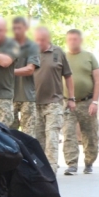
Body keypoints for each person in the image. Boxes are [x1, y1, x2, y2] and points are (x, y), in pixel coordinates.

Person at [33, 27, 75, 174]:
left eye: (42, 40)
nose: (39, 43)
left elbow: (68, 76)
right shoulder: (29, 53)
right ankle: (40, 169)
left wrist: (71, 98)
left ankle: (51, 169)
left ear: (48, 39)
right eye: (36, 40)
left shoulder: (58, 52)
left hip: (54, 102)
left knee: (52, 137)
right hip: (34, 103)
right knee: (38, 139)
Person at [62, 29, 99, 175]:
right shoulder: (63, 57)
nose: (72, 41)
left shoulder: (89, 57)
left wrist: (95, 102)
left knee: (90, 134)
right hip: (68, 102)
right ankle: (71, 164)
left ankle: (89, 162)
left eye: (75, 39)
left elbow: (97, 80)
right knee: (69, 133)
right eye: (70, 39)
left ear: (81, 40)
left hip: (87, 102)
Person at [11, 17, 40, 136]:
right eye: (14, 28)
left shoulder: (32, 47)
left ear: (26, 29)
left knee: (29, 134)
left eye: (19, 28)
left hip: (26, 97)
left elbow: (29, 69)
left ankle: (29, 155)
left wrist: (8, 72)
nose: (16, 31)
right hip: (7, 97)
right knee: (9, 133)